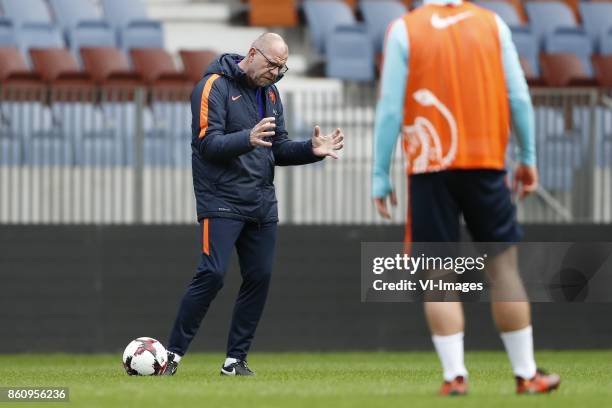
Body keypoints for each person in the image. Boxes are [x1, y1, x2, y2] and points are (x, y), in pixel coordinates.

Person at [371, 0, 560, 395]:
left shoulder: (406, 29)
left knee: (438, 274)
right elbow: (519, 95)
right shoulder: (493, 24)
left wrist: (379, 172)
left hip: (430, 165)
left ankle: (454, 376)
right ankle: (526, 375)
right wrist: (527, 157)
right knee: (504, 271)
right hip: (485, 159)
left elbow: (390, 107)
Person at [164, 33, 344, 376]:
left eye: (282, 67)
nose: (276, 73)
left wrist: (311, 150)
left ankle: (235, 360)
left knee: (259, 277)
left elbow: (277, 148)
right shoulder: (212, 86)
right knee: (213, 273)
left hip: (261, 202)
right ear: (252, 54)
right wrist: (246, 138)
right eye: (272, 65)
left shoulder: (271, 93)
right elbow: (206, 143)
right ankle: (171, 354)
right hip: (221, 199)